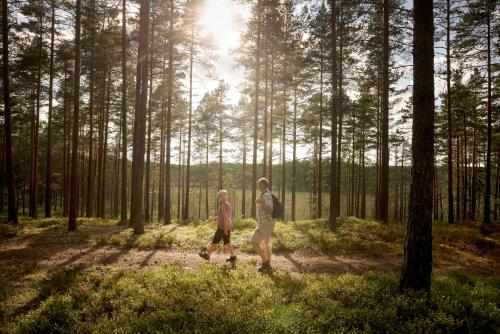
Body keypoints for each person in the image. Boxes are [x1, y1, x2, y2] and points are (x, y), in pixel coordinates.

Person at [199, 190, 236, 263]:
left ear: (223, 196)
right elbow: (221, 216)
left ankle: (207, 255)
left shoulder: (222, 205)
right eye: (218, 196)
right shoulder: (228, 204)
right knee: (227, 243)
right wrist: (212, 219)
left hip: (222, 227)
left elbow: (225, 217)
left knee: (215, 242)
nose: (218, 198)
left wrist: (225, 229)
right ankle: (233, 257)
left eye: (220, 196)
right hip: (228, 226)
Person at [251, 177, 275, 272]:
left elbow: (269, 209)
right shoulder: (267, 194)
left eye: (258, 185)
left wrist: (261, 202)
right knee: (265, 244)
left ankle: (265, 264)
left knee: (254, 242)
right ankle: (268, 264)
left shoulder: (266, 195)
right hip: (268, 222)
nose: (257, 187)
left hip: (266, 223)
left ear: (262, 185)